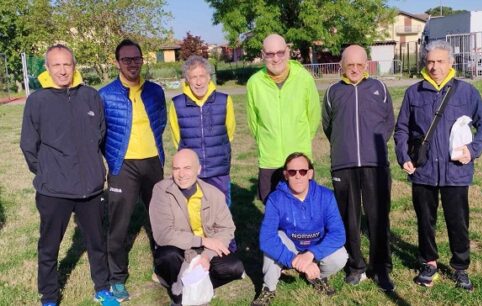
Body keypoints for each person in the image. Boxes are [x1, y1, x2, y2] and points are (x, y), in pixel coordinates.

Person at [20, 44, 118, 306]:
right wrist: (47, 173)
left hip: (91, 188)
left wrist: (92, 167)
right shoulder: (37, 101)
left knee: (97, 243)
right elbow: (29, 145)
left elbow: (100, 133)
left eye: (67, 64)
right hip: (54, 190)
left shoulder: (90, 96)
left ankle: (102, 289)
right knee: (49, 247)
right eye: (56, 65)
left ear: (74, 66)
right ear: (48, 68)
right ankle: (50, 296)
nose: (62, 70)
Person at [394, 40, 482, 291]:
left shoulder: (466, 92)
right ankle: (428, 263)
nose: (435, 66)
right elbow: (402, 129)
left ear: (450, 62)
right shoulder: (413, 93)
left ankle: (460, 268)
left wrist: (472, 150)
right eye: (430, 61)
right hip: (423, 170)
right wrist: (403, 155)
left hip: (456, 172)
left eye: (440, 61)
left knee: (458, 221)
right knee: (425, 220)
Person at [322, 44, 395, 291]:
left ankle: (381, 267)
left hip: (375, 163)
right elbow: (328, 126)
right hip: (344, 164)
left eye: (359, 65)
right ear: (341, 65)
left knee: (378, 217)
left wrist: (370, 147)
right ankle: (356, 266)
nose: (354, 69)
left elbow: (388, 122)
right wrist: (345, 145)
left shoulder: (379, 88)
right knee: (348, 219)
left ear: (367, 65)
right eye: (349, 65)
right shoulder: (333, 91)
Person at [99, 39, 167, 301]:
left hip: (153, 163)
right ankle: (117, 278)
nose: (132, 63)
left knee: (160, 219)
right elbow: (101, 133)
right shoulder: (105, 95)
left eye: (136, 58)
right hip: (122, 165)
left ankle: (164, 266)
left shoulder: (155, 91)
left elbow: (159, 122)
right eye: (126, 59)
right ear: (117, 63)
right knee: (119, 223)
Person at [149, 149, 245, 305]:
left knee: (235, 267)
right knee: (167, 256)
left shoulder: (213, 194)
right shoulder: (161, 190)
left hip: (205, 250)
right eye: (176, 168)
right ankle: (179, 296)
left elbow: (227, 229)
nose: (181, 174)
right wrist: (203, 241)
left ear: (198, 169)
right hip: (178, 248)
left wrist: (206, 256)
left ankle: (198, 284)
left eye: (187, 168)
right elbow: (163, 234)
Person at [252, 152, 348, 306]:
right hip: (290, 245)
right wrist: (293, 259)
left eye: (302, 171)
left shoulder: (326, 196)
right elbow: (266, 239)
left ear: (310, 173)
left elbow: (339, 234)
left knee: (341, 256)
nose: (298, 176)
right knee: (274, 241)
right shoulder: (275, 199)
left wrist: (311, 255)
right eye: (292, 172)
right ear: (285, 175)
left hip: (315, 247)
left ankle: (317, 276)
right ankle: (268, 289)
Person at [246, 33, 321, 203]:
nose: (276, 58)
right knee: (272, 212)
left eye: (280, 52)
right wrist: (267, 143)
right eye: (270, 54)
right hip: (269, 160)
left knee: (302, 210)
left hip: (299, 159)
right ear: (263, 54)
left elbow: (313, 116)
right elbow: (253, 123)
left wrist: (300, 141)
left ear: (288, 52)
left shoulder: (304, 79)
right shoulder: (254, 83)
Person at [169, 55, 236, 206]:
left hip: (218, 169)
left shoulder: (224, 100)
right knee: (193, 214)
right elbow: (176, 138)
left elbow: (229, 132)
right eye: (193, 77)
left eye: (202, 76)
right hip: (191, 172)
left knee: (221, 212)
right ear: (187, 79)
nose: (198, 82)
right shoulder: (177, 104)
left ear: (208, 77)